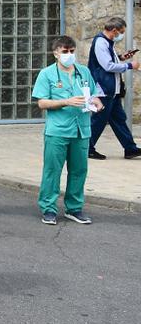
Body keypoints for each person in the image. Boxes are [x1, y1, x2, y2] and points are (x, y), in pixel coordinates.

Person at [32, 36, 102, 225]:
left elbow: (93, 95)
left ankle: (74, 208)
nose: (69, 55)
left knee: (79, 170)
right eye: (65, 52)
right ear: (56, 53)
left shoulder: (84, 72)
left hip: (82, 130)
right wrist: (66, 102)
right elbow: (41, 102)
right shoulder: (47, 74)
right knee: (52, 171)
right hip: (58, 130)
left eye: (71, 51)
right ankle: (48, 208)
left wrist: (97, 102)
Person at [87, 16, 141, 159]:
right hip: (103, 89)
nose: (121, 35)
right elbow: (107, 65)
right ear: (114, 30)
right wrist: (130, 65)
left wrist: (121, 57)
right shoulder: (100, 42)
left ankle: (130, 149)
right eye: (121, 32)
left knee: (119, 119)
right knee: (99, 120)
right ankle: (87, 148)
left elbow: (109, 60)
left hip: (112, 89)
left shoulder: (108, 43)